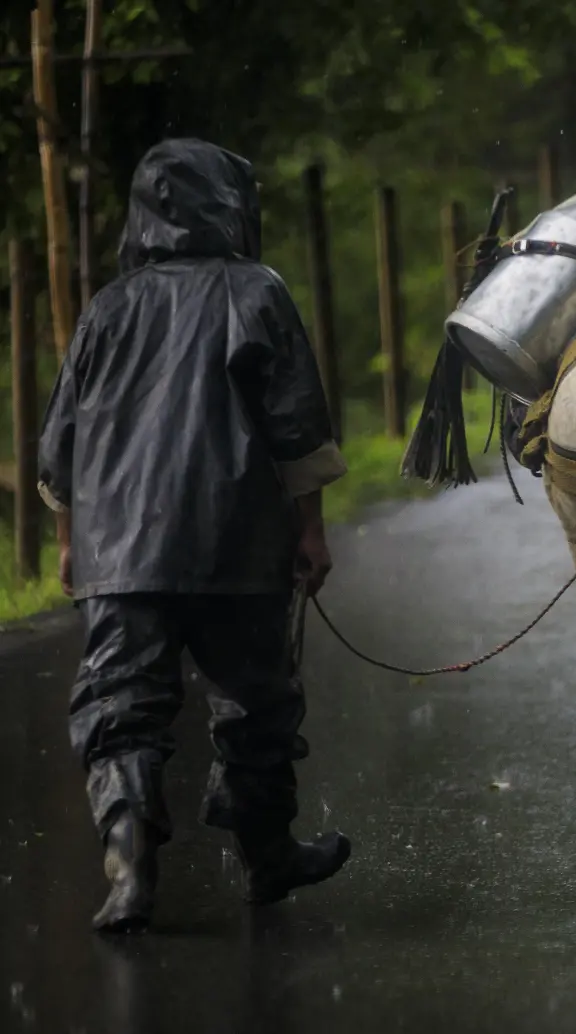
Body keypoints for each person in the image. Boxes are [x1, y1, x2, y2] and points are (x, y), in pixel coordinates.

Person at [37, 138, 352, 934]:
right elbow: (295, 423)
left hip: (119, 549)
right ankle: (266, 855)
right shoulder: (257, 291)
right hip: (233, 537)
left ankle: (128, 871)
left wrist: (72, 541)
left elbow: (62, 442)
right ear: (232, 205)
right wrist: (310, 531)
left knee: (119, 706)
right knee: (255, 700)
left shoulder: (108, 307)